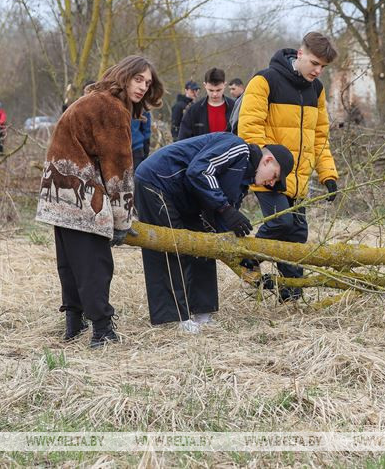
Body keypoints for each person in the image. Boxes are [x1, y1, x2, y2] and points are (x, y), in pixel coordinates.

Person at [35, 56, 164, 348]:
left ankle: (73, 322)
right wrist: (122, 221)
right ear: (124, 75)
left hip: (60, 191)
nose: (143, 87)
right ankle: (102, 330)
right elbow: (118, 170)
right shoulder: (112, 109)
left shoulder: (93, 99)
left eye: (148, 82)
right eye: (138, 79)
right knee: (95, 263)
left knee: (71, 262)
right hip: (81, 192)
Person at [134, 133, 294, 331]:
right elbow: (200, 171)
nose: (271, 183)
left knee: (207, 243)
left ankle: (202, 312)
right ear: (268, 160)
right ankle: (173, 319)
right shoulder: (238, 148)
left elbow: (222, 225)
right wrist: (226, 209)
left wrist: (242, 256)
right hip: (158, 182)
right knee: (170, 247)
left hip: (185, 197)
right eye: (275, 177)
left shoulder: (242, 180)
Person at [237, 32, 339, 302]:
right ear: (300, 53)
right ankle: (247, 256)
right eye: (314, 63)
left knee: (296, 234)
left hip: (300, 179)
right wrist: (266, 166)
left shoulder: (316, 90)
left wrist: (328, 174)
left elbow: (320, 136)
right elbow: (249, 129)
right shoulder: (264, 81)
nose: (318, 71)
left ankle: (291, 295)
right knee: (280, 222)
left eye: (323, 67)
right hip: (268, 175)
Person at [178, 68, 235, 139]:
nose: (214, 94)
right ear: (205, 85)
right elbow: (183, 139)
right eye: (211, 90)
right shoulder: (194, 110)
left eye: (218, 90)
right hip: (202, 150)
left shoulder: (234, 108)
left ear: (224, 85)